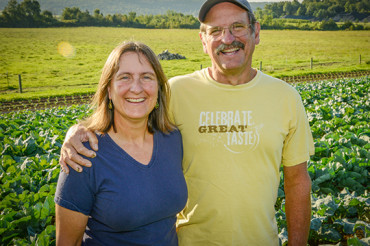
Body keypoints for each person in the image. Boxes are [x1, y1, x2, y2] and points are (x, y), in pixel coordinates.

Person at [59, 0, 315, 245]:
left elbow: (297, 181)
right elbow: (130, 111)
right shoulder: (176, 92)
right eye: (215, 31)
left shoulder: (286, 97)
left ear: (255, 32)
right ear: (204, 41)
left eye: (237, 27)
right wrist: (78, 130)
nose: (227, 39)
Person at [54, 41, 188, 245]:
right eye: (125, 77)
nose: (136, 88)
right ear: (108, 89)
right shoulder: (84, 154)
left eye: (147, 77)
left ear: (159, 88)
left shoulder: (173, 139)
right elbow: (67, 243)